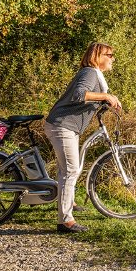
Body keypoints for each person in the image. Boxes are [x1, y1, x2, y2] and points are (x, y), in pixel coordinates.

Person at [44, 42, 122, 233]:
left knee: (69, 169)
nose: (113, 59)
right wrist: (106, 96)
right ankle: (65, 221)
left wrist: (106, 100)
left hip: (66, 126)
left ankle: (68, 202)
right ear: (98, 56)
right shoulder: (89, 72)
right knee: (70, 170)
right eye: (109, 55)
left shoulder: (95, 75)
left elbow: (85, 98)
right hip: (62, 125)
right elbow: (80, 94)